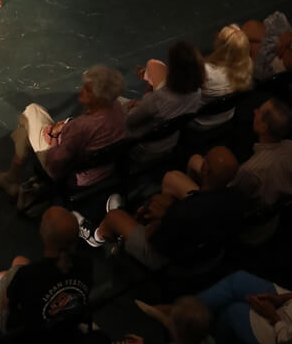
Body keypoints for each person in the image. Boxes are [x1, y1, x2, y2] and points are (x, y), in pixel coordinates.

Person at [74, 146, 241, 267]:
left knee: (114, 216)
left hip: (177, 261)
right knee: (169, 184)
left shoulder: (182, 214)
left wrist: (158, 222)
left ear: (205, 169)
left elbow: (157, 240)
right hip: (209, 249)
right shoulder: (234, 199)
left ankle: (96, 236)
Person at [0, 65, 126, 209]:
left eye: (88, 90)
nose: (81, 91)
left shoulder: (80, 127)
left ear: (101, 98)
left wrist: (53, 136)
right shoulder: (118, 109)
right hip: (103, 170)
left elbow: (55, 165)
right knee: (28, 127)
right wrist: (66, 124)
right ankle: (13, 178)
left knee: (31, 112)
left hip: (73, 176)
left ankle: (12, 178)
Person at [164, 99, 292, 207]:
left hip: (237, 214)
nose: (255, 111)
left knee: (171, 177)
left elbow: (229, 198)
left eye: (259, 111)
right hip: (269, 210)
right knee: (195, 159)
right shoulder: (289, 146)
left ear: (264, 127)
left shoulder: (251, 171)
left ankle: (184, 210)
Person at [0, 206, 92, 334]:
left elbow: (7, 303)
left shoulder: (29, 275)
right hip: (68, 325)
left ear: (43, 233)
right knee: (19, 260)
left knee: (1, 277)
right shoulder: (85, 265)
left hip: (33, 336)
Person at [126, 41, 204, 159]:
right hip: (171, 140)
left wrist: (133, 107)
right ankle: (147, 76)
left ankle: (147, 77)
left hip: (145, 148)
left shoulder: (158, 99)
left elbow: (130, 122)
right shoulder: (197, 92)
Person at [195, 269, 292, 344]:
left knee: (232, 310)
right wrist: (281, 298)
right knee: (237, 281)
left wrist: (273, 316)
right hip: (288, 304)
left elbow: (286, 341)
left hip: (282, 337)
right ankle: (186, 313)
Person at [194, 24, 253, 128]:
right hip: (226, 117)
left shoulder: (206, 72)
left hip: (200, 122)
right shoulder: (247, 66)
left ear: (222, 48)